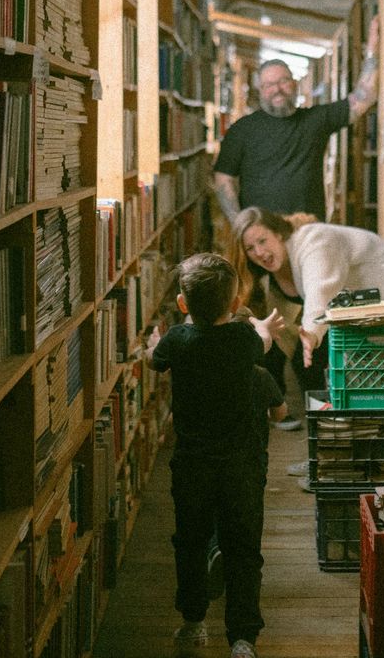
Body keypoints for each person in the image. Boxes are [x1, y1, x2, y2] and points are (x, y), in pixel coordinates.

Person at [227, 207, 384, 487]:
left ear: (279, 233)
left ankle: (336, 463)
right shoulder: (286, 259)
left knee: (360, 385)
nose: (260, 252)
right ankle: (327, 456)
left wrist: (311, 333)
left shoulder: (314, 239)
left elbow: (321, 288)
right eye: (251, 248)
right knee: (326, 377)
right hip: (360, 315)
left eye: (263, 240)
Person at [148, 253, 275, 658]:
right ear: (235, 303)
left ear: (183, 305)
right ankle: (242, 638)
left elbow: (156, 360)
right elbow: (262, 344)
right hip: (242, 464)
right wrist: (260, 325)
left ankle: (193, 622)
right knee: (244, 549)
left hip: (192, 465)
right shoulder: (243, 340)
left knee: (189, 541)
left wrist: (155, 342)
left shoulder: (177, 341)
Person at [212, 16, 380, 223]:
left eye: (284, 81)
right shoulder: (242, 129)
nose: (277, 89)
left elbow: (365, 97)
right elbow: (223, 178)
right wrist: (239, 223)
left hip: (308, 231)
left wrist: (373, 47)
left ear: (295, 84)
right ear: (261, 90)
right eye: (269, 84)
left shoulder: (317, 119)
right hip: (261, 237)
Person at [207, 364, 286, 602]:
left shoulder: (207, 373)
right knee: (248, 513)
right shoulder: (260, 375)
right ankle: (244, 568)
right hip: (250, 460)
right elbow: (279, 413)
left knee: (215, 506)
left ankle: (215, 549)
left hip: (212, 457)